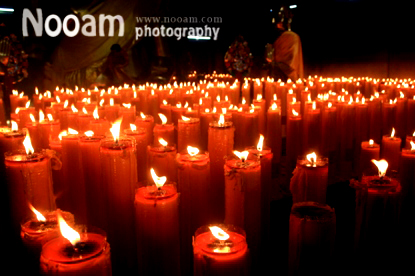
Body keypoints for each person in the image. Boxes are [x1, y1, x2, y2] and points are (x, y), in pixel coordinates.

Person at [267, 6, 303, 81]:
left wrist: (276, 65)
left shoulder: (293, 37)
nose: (279, 25)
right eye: (278, 22)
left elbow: (293, 62)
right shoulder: (274, 37)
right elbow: (270, 56)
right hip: (276, 73)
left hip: (288, 75)